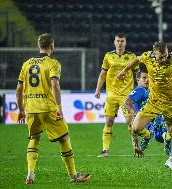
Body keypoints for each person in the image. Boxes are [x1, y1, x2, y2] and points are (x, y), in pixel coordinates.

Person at [16, 33, 91, 184]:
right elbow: (55, 85)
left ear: (39, 45)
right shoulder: (53, 63)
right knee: (64, 138)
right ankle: (73, 175)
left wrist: (21, 110)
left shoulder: (26, 64)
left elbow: (18, 89)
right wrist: (59, 107)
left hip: (30, 108)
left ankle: (30, 175)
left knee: (34, 139)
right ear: (52, 46)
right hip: (47, 107)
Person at [95, 33, 151, 157]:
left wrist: (140, 89)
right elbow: (102, 74)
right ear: (114, 42)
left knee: (130, 122)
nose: (120, 43)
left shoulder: (132, 56)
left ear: (125, 43)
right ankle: (105, 150)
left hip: (126, 94)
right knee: (109, 122)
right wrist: (98, 90)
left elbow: (138, 76)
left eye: (122, 41)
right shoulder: (108, 56)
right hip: (111, 94)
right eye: (118, 41)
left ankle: (138, 145)